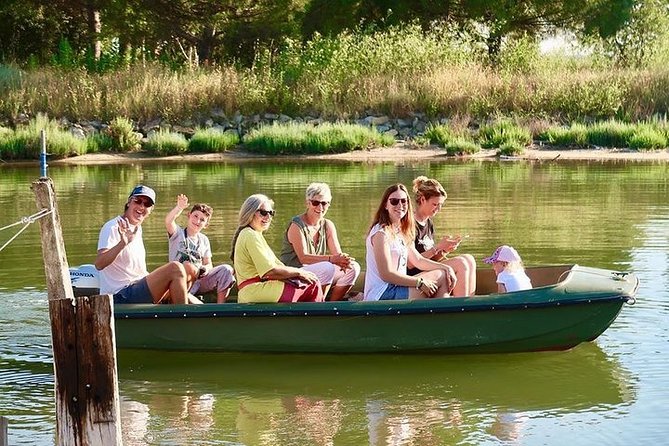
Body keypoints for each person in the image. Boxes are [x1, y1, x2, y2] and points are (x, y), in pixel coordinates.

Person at [95, 185, 200, 304]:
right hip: (119, 295)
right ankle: (183, 318)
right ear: (129, 202)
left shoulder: (137, 228)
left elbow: (137, 273)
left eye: (147, 204)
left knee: (190, 269)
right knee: (175, 268)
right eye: (138, 201)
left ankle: (180, 308)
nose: (141, 206)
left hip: (137, 287)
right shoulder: (113, 227)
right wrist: (123, 243)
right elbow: (99, 264)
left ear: (151, 210)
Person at [364, 184, 457, 301]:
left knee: (443, 273)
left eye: (404, 201)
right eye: (394, 201)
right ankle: (443, 316)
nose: (400, 205)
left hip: (398, 286)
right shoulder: (381, 234)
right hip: (382, 293)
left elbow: (418, 260)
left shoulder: (402, 230)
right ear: (385, 205)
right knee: (441, 277)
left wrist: (446, 267)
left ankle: (438, 315)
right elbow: (386, 274)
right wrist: (419, 282)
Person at [230, 194, 324, 303]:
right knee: (313, 284)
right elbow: (270, 271)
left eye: (271, 213)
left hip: (254, 291)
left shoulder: (253, 234)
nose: (268, 217)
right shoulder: (250, 235)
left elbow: (276, 268)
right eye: (263, 213)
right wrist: (299, 273)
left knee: (307, 281)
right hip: (256, 291)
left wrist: (297, 274)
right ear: (250, 213)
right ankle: (319, 318)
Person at [279, 183, 361, 301]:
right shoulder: (296, 225)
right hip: (294, 274)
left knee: (353, 267)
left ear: (329, 204)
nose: (320, 207)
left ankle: (332, 304)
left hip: (317, 273)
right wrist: (332, 259)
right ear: (308, 203)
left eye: (324, 203)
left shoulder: (328, 225)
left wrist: (344, 260)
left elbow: (338, 255)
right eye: (315, 203)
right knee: (327, 268)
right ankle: (318, 304)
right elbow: (304, 258)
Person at [409, 176, 477, 296]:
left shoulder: (428, 222)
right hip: (413, 277)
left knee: (469, 259)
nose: (438, 209)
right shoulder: (410, 224)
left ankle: (468, 301)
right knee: (461, 263)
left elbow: (431, 259)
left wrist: (444, 250)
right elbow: (411, 263)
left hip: (427, 270)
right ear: (423, 200)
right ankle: (462, 307)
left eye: (441, 205)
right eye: (435, 204)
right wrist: (437, 247)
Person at [165, 194, 235, 303]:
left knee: (226, 269)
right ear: (189, 215)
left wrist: (205, 269)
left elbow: (208, 264)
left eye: (202, 220)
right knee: (187, 267)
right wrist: (179, 207)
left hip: (199, 280)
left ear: (206, 224)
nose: (197, 221)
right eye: (195, 216)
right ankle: (186, 298)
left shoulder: (204, 240)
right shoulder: (177, 234)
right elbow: (169, 221)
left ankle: (220, 307)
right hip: (181, 280)